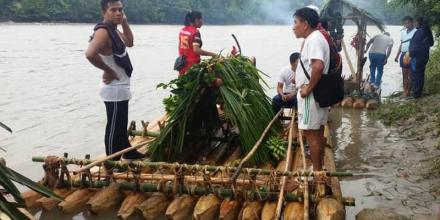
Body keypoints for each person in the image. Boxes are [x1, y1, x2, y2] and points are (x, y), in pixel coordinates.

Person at [86, 0, 144, 160]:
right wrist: (108, 70)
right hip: (114, 87)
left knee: (121, 124)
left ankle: (127, 150)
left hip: (121, 86)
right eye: (113, 10)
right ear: (104, 12)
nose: (118, 13)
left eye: (120, 10)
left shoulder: (115, 30)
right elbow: (90, 54)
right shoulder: (103, 31)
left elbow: (130, 42)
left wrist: (124, 21)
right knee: (113, 126)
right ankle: (111, 163)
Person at [293, 7, 330, 171]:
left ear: (305, 24)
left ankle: (316, 172)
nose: (293, 27)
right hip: (319, 93)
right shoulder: (317, 37)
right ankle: (319, 169)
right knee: (318, 132)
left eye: (295, 22)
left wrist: (307, 89)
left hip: (311, 95)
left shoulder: (314, 39)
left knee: (311, 134)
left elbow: (318, 66)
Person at [409, 16, 434, 98]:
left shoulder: (420, 31)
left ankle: (416, 94)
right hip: (421, 56)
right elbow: (431, 43)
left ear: (420, 22)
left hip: (416, 56)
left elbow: (414, 45)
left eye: (416, 22)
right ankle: (416, 92)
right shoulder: (426, 31)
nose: (415, 23)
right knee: (419, 74)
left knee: (416, 74)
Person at [394, 16, 416, 97]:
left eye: (408, 23)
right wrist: (397, 55)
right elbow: (401, 44)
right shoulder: (403, 32)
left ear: (412, 22)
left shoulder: (416, 31)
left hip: (410, 54)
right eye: (405, 23)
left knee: (410, 74)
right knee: (404, 73)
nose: (407, 25)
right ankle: (405, 91)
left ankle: (408, 92)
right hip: (403, 54)